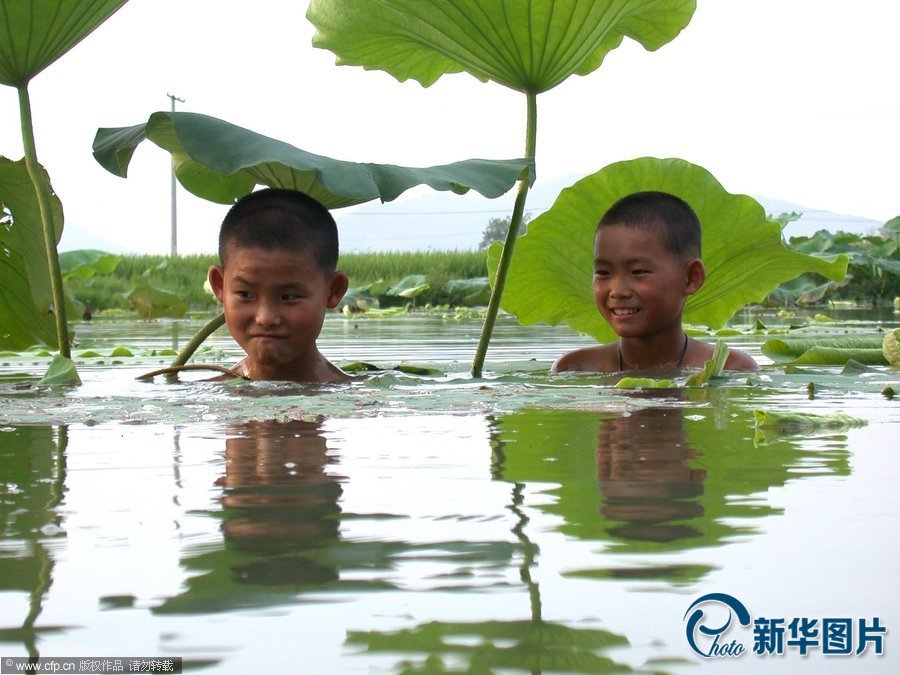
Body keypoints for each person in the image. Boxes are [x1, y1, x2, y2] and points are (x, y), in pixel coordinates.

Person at [553, 191, 758, 373]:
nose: (617, 291)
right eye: (604, 272)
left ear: (691, 278)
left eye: (638, 271)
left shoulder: (728, 368)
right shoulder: (575, 368)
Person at [207, 188, 349, 382]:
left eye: (289, 297)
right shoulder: (197, 402)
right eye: (245, 294)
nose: (265, 318)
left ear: (333, 290)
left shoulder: (363, 405)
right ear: (219, 285)